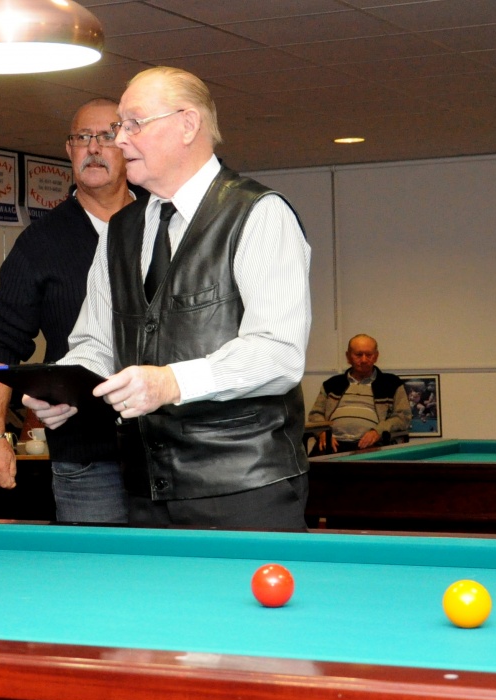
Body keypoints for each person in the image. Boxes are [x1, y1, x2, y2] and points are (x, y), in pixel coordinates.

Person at [27, 66, 312, 530]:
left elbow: (278, 354)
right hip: (144, 489)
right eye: (120, 126)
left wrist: (170, 383)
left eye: (133, 124)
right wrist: (65, 390)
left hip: (245, 487)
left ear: (188, 124)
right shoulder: (120, 229)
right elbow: (95, 343)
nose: (120, 140)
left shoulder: (259, 213)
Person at [0, 99, 140, 524]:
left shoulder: (164, 222)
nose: (94, 148)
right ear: (69, 150)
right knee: (93, 565)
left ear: (128, 143)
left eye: (107, 136)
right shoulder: (39, 243)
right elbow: (1, 344)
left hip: (173, 453)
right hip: (85, 457)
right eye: (82, 138)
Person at [308, 334, 412, 452]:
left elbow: (403, 417)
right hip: (331, 445)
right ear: (348, 356)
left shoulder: (391, 383)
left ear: (376, 356)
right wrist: (322, 432)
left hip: (371, 446)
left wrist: (378, 431)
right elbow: (315, 414)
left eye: (369, 355)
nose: (364, 360)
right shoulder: (332, 384)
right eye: (358, 355)